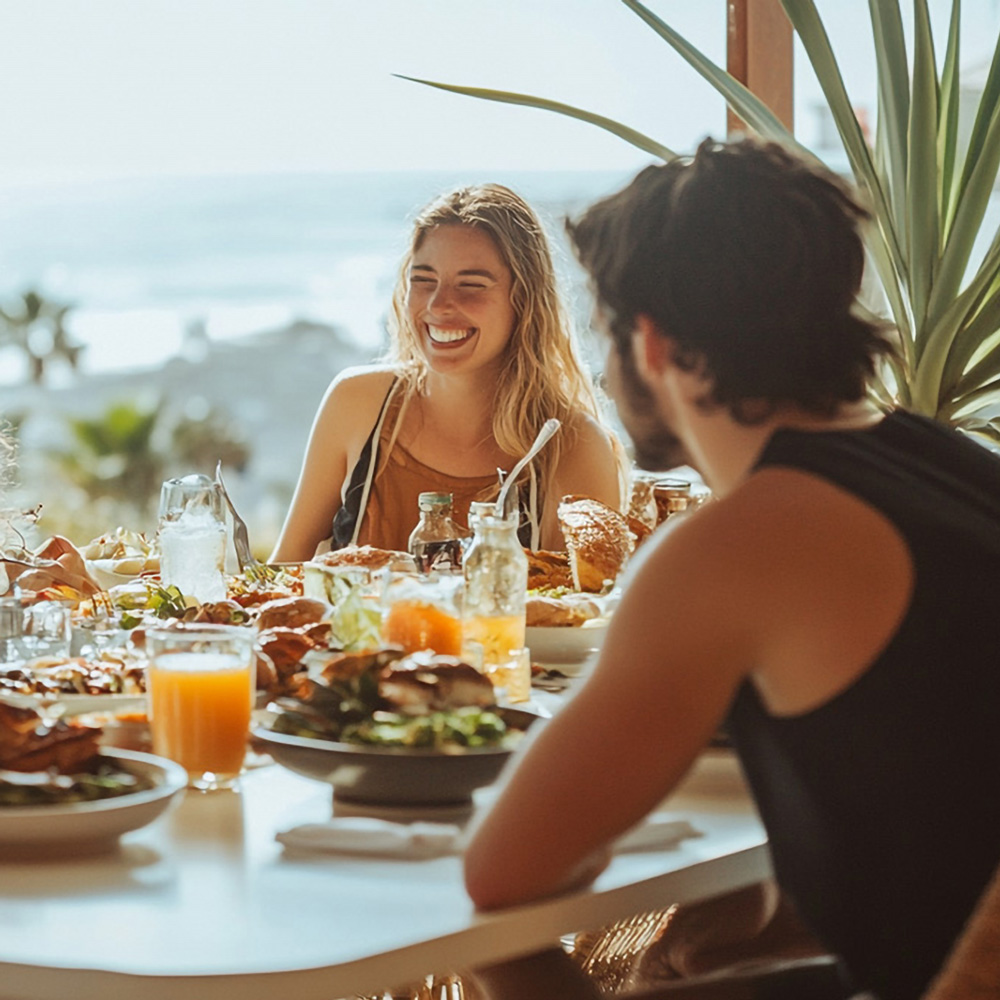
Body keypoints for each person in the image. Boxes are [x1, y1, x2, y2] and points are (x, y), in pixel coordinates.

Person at [462, 139, 1000, 1000]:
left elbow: (501, 872)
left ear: (654, 343)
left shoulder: (739, 544)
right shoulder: (952, 463)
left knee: (494, 944)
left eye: (606, 335)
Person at [270, 184, 623, 561]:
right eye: (423, 280)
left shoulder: (573, 446)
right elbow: (284, 574)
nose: (439, 304)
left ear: (525, 301)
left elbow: (591, 611)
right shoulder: (357, 404)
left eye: (471, 285)